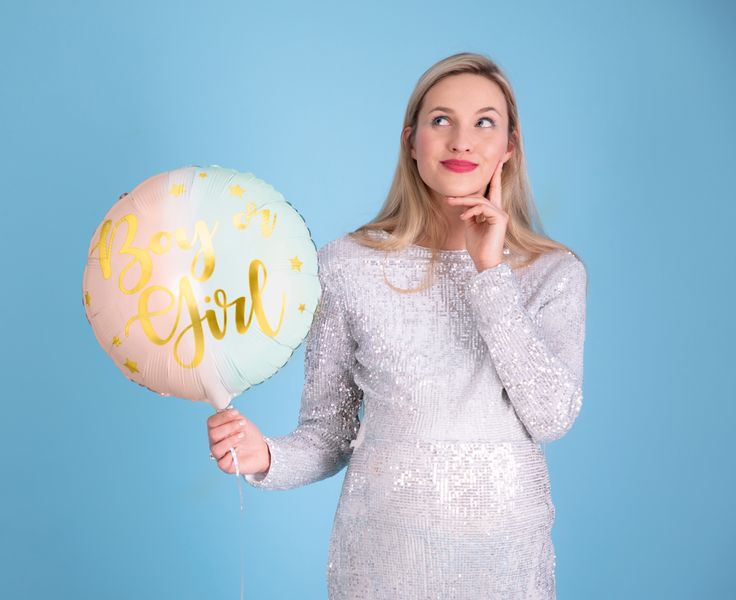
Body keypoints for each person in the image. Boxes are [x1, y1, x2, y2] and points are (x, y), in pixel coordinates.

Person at [207, 51, 588, 599]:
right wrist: (266, 456)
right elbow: (330, 434)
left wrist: (489, 273)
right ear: (411, 141)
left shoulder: (553, 273)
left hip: (506, 571)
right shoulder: (346, 266)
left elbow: (552, 416)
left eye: (484, 122)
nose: (461, 141)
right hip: (380, 568)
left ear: (510, 145)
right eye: (441, 120)